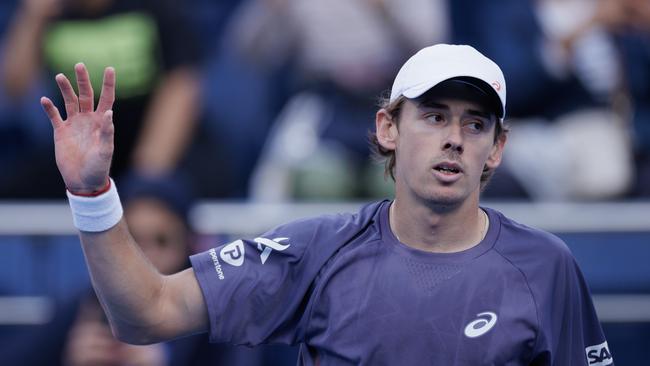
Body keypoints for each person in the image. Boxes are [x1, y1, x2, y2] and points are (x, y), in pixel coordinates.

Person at [40, 44, 613, 365]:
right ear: (388, 127)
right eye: (434, 116)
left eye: (476, 123)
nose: (455, 139)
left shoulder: (548, 268)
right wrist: (92, 194)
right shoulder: (317, 250)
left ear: (497, 148)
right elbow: (147, 313)